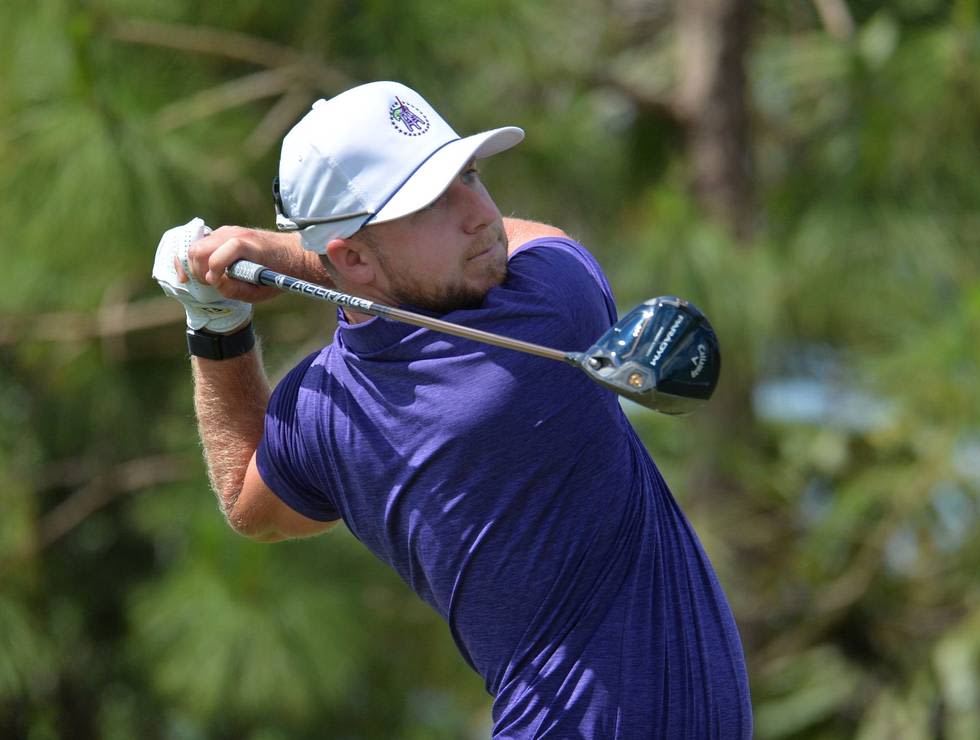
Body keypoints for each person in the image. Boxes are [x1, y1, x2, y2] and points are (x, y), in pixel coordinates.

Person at [153, 81, 751, 738]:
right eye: (433, 202)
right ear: (351, 257)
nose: (480, 213)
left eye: (470, 174)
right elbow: (542, 239)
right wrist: (292, 253)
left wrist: (213, 323)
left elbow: (250, 503)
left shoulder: (323, 414)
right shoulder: (542, 320)